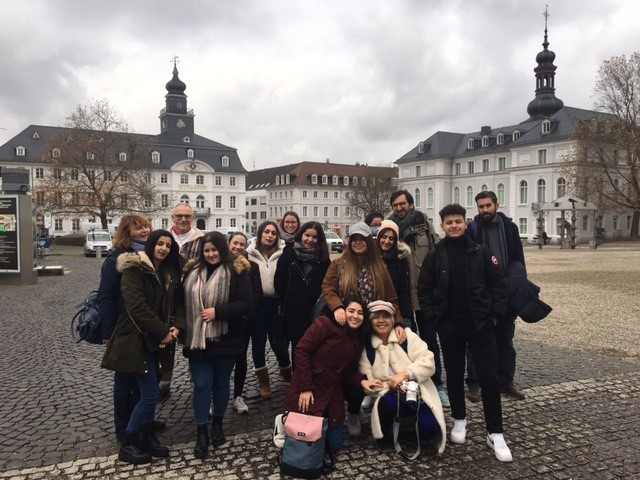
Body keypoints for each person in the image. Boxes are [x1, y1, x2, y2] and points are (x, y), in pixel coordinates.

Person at [418, 204, 513, 462]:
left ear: (465, 222)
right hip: (450, 327)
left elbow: (499, 286)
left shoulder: (481, 252)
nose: (454, 226)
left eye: (458, 221)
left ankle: (495, 431)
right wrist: (435, 319)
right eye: (449, 223)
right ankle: (460, 419)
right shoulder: (436, 255)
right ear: (442, 226)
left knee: (489, 377)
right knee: (455, 374)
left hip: (481, 325)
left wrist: (494, 316)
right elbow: (424, 289)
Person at [101, 229, 184, 465]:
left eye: (168, 245)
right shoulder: (134, 268)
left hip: (160, 342)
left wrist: (177, 326)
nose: (164, 249)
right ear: (151, 245)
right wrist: (163, 331)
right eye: (160, 244)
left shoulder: (168, 272)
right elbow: (136, 306)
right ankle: (128, 443)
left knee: (147, 392)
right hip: (137, 340)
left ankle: (146, 436)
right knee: (149, 395)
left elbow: (178, 304)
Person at [321, 221, 406, 435]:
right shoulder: (339, 264)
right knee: (346, 369)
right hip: (346, 327)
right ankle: (346, 410)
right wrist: (337, 307)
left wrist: (397, 322)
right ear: (350, 242)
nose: (359, 243)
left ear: (369, 242)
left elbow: (392, 298)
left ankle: (356, 409)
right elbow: (328, 288)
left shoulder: (379, 267)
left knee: (363, 369)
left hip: (371, 329)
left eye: (363, 240)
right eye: (355, 239)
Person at [182, 231, 253, 459]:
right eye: (207, 250)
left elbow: (248, 303)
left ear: (223, 249)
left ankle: (218, 427)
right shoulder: (192, 270)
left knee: (221, 383)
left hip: (227, 337)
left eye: (215, 250)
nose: (211, 254)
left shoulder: (237, 270)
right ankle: (202, 431)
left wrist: (218, 312)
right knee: (202, 385)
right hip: (197, 339)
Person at [275, 296, 368, 453]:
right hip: (311, 387)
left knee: (334, 446)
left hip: (332, 394)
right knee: (304, 438)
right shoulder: (325, 324)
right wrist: (305, 388)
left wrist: (362, 382)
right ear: (342, 311)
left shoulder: (358, 341)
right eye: (351, 311)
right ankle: (284, 420)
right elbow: (302, 350)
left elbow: (347, 373)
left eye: (360, 313)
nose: (355, 316)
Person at [388, 189, 449, 407]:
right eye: (395, 205)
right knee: (407, 341)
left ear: (411, 205)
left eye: (402, 204)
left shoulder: (424, 223)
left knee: (431, 340)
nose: (399, 208)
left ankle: (437, 384)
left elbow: (438, 254)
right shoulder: (390, 227)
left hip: (425, 293)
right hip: (402, 295)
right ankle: (411, 382)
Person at [358, 300, 446, 453]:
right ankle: (387, 434)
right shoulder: (368, 349)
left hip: (418, 393)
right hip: (389, 396)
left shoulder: (408, 337)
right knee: (385, 406)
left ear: (392, 319)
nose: (381, 321)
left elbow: (429, 362)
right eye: (376, 317)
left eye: (385, 316)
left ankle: (417, 425)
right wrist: (392, 386)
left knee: (430, 427)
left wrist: (406, 375)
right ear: (370, 321)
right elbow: (369, 383)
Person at [465, 191, 527, 402]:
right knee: (476, 341)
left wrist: (515, 284)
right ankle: (474, 384)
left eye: (488, 206)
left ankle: (505, 381)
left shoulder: (509, 228)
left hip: (506, 291)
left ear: (496, 205)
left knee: (505, 340)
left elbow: (518, 258)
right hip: (481, 293)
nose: (484, 210)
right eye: (481, 207)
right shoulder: (472, 229)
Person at [97, 214, 152, 444]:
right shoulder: (116, 258)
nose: (144, 230)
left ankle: (141, 420)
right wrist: (109, 333)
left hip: (145, 328)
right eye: (138, 228)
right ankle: (123, 428)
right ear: (126, 232)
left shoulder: (148, 255)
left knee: (143, 378)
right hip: (124, 329)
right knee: (124, 382)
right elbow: (106, 297)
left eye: (146, 226)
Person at [161, 202, 204, 398]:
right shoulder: (164, 239)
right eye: (179, 216)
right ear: (173, 218)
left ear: (192, 218)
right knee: (166, 338)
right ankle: (164, 382)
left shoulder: (202, 239)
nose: (183, 219)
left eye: (187, 216)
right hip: (166, 298)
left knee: (194, 344)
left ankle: (197, 383)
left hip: (193, 297)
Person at [246, 221, 291, 398]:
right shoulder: (249, 254)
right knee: (258, 343)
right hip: (256, 305)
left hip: (276, 304)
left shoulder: (284, 253)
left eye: (273, 233)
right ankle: (263, 382)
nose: (270, 235)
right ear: (260, 234)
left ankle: (286, 369)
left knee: (279, 343)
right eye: (266, 232)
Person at [274, 221, 331, 355]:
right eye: (307, 235)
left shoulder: (324, 260)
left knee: (316, 349)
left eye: (314, 237)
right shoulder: (289, 254)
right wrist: (290, 299)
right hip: (294, 312)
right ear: (301, 235)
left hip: (315, 311)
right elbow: (279, 282)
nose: (310, 240)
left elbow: (327, 286)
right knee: (298, 349)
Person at [227, 232, 254, 415]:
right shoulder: (220, 263)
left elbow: (253, 294)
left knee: (241, 358)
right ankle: (216, 396)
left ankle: (238, 395)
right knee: (221, 360)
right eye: (235, 243)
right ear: (229, 244)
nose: (238, 247)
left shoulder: (249, 266)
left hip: (242, 320)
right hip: (221, 318)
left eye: (242, 244)